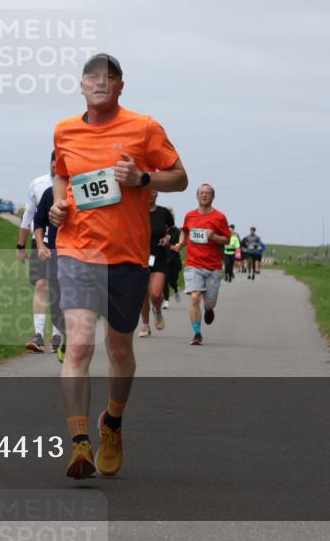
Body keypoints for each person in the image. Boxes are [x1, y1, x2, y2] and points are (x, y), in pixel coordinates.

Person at [49, 53, 187, 479]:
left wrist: (142, 179)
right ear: (81, 86)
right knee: (79, 345)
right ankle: (79, 443)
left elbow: (179, 177)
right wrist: (58, 204)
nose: (100, 84)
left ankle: (112, 422)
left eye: (109, 78)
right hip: (76, 251)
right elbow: (61, 173)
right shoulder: (64, 130)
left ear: (121, 86)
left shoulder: (144, 128)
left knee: (120, 350)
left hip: (126, 256)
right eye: (92, 78)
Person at [18, 154, 61, 353]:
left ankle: (57, 334)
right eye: (54, 162)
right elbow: (30, 216)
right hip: (41, 242)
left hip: (65, 245)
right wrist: (21, 245)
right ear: (51, 163)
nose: (56, 166)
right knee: (42, 284)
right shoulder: (38, 184)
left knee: (59, 287)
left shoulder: (74, 186)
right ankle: (38, 334)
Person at [177, 184, 230, 346]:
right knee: (194, 297)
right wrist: (181, 244)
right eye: (201, 193)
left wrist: (213, 236)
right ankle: (197, 333)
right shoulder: (190, 215)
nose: (204, 195)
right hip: (193, 263)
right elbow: (184, 231)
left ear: (213, 197)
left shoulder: (219, 217)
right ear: (197, 196)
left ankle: (209, 309)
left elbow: (226, 240)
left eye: (207, 193)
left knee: (209, 303)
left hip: (213, 266)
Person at [33, 184, 66, 362]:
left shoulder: (84, 189)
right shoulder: (50, 193)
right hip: (55, 254)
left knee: (75, 300)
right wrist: (40, 245)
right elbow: (38, 223)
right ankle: (66, 336)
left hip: (80, 256)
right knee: (56, 306)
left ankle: (71, 344)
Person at [138, 191, 174, 338]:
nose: (151, 193)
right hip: (139, 256)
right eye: (148, 190)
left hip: (158, 256)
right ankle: (145, 326)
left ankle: (157, 310)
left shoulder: (164, 212)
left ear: (157, 194)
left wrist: (167, 238)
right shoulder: (136, 211)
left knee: (156, 293)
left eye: (154, 191)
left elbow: (172, 229)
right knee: (142, 295)